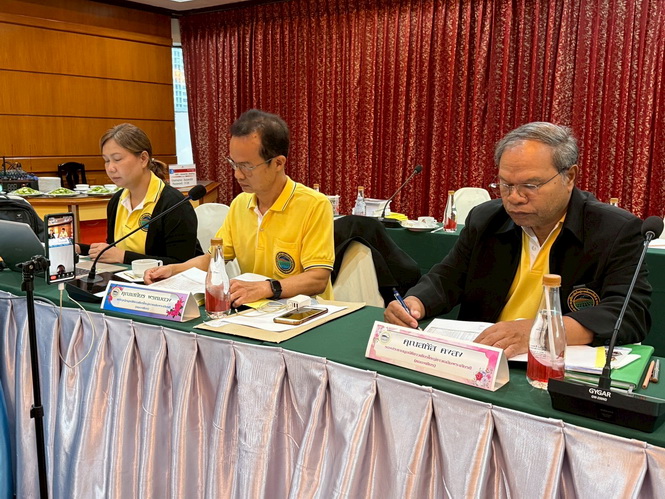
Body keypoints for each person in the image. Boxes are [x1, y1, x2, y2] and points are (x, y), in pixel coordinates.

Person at [384, 122, 652, 358]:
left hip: (558, 365)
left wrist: (541, 331)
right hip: (485, 358)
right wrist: (416, 302)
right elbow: (448, 277)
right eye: (506, 184)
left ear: (569, 177)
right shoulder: (487, 219)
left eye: (530, 186)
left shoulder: (615, 230)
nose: (514, 197)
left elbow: (629, 313)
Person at [144, 109, 335, 306]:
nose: (238, 174)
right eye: (234, 164)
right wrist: (174, 270)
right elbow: (213, 258)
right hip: (253, 310)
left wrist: (266, 288)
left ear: (278, 163)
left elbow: (318, 278)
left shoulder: (314, 205)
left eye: (247, 166)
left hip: (305, 311)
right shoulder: (240, 204)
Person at [78, 123, 202, 265]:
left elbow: (182, 264)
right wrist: (79, 249)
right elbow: (112, 252)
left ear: (143, 158)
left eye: (117, 159)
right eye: (106, 160)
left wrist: (124, 257)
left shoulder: (174, 204)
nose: (110, 168)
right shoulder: (116, 201)